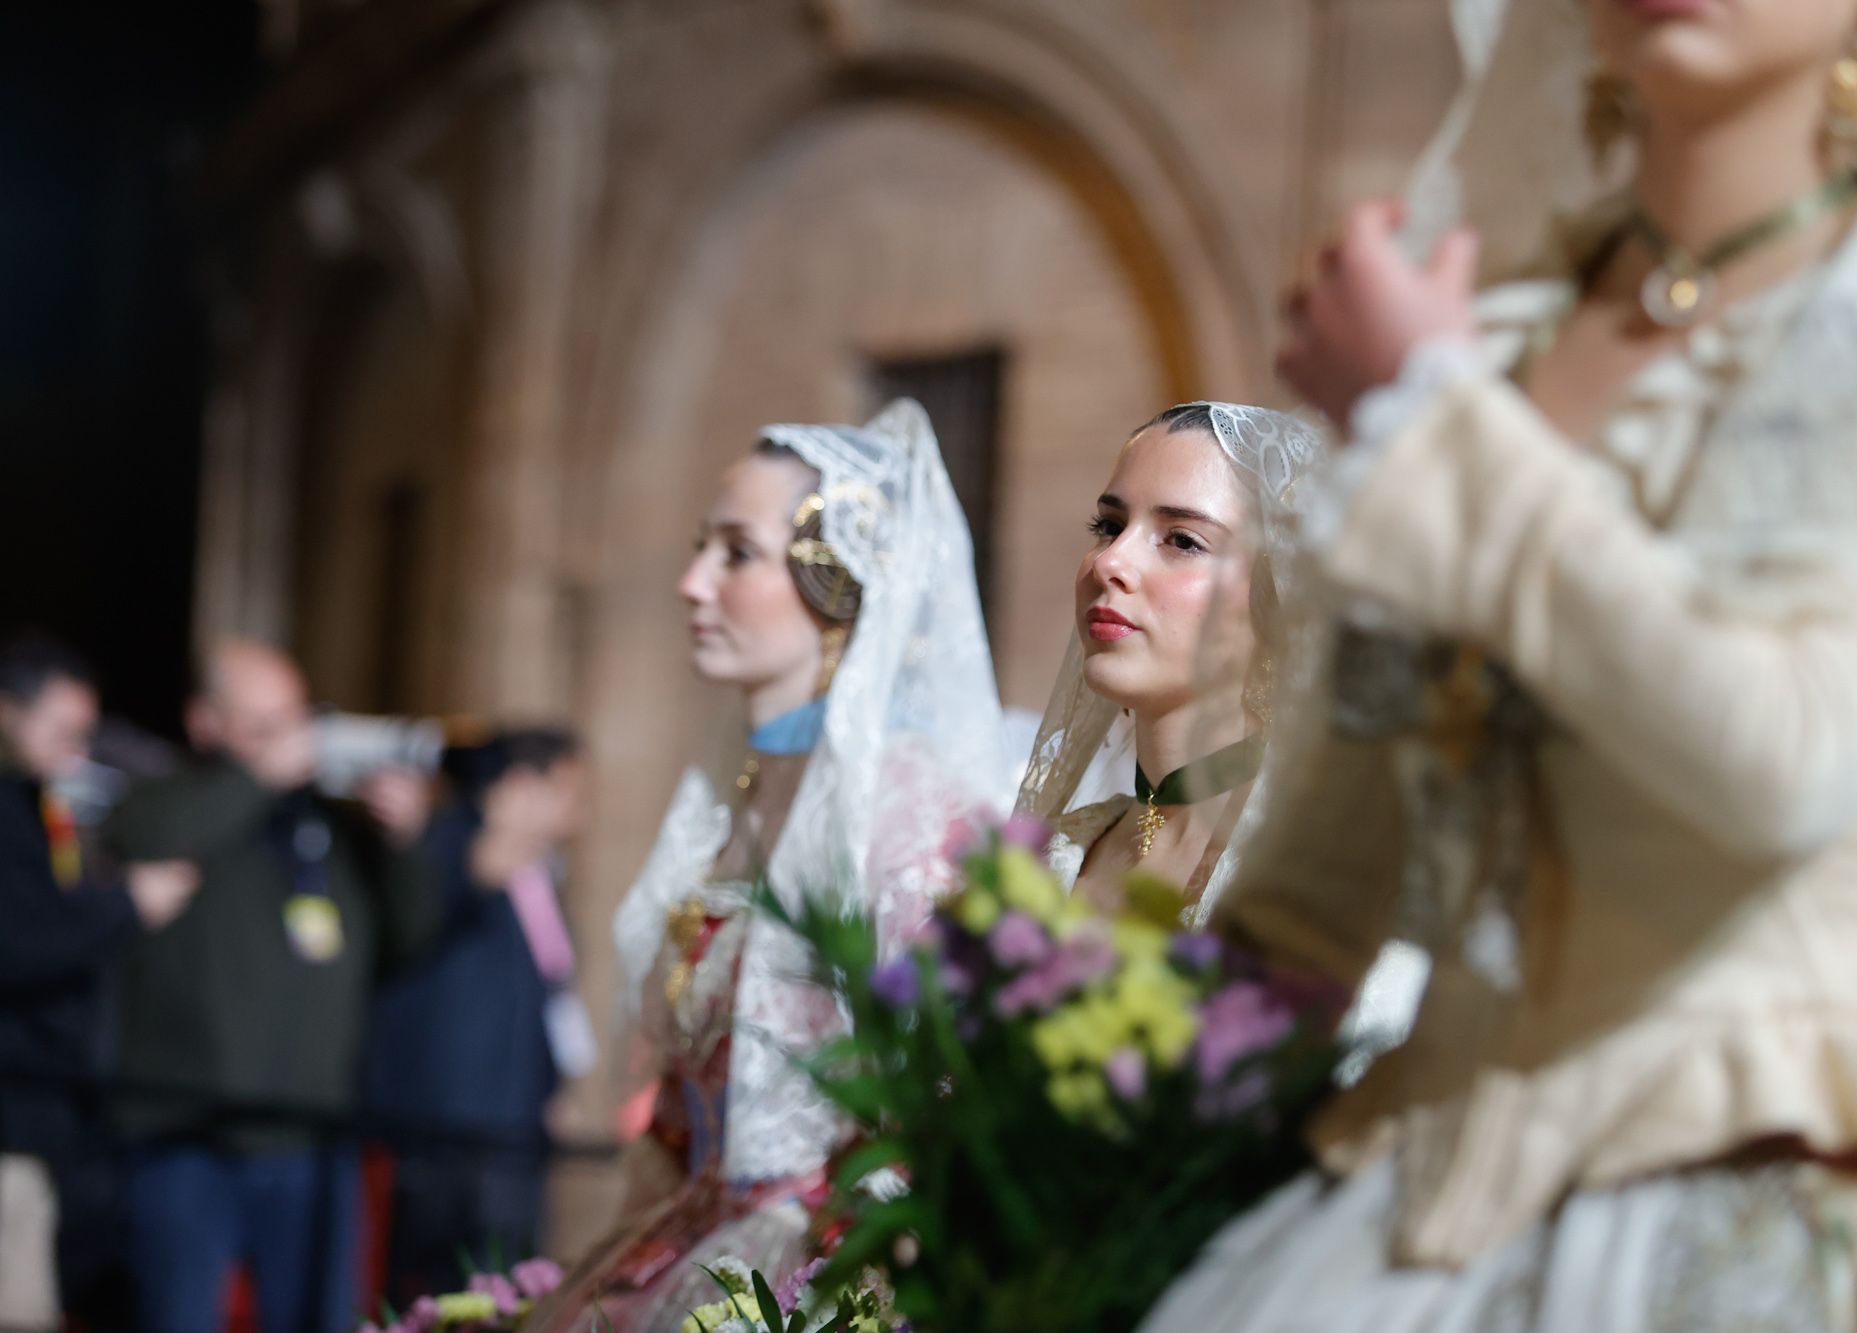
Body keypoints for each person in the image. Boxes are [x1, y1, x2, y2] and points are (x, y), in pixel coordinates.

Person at [1141, 0, 1857, 1327]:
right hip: (1392, 1232)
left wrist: (1432, 428)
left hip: (1756, 1217)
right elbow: (1322, 895)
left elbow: (1790, 756)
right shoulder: (1492, 350)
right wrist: (1069, 1114)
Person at [529, 400, 1007, 1330]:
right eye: (700, 549)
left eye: (736, 553)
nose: (691, 583)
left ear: (837, 577)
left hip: (814, 1270)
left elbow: (940, 1113)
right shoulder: (727, 797)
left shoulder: (905, 811)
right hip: (684, 1237)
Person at [99, 640, 437, 1333]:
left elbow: (405, 939)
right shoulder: (161, 801)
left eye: (296, 721)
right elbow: (148, 837)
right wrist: (261, 776)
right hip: (187, 1137)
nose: (289, 742)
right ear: (205, 721)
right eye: (263, 725)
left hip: (309, 1137)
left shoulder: (325, 827)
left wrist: (404, 841)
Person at [1013, 402, 1320, 927]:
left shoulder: (1317, 882)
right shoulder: (1045, 862)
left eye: (1182, 540)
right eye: (1109, 526)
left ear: (1283, 597)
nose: (1109, 562)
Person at [0, 637, 198, 1332]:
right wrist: (126, 905)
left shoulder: (39, 803)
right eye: (64, 731)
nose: (79, 752)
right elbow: (18, 942)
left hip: (45, 1118)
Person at [365, 728, 589, 1305]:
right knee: (435, 1293)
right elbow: (421, 917)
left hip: (513, 1126)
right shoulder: (450, 845)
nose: (579, 810)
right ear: (519, 787)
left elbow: (548, 994)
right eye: (567, 790)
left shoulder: (540, 876)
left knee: (506, 1288)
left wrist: (552, 1085)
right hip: (449, 1130)